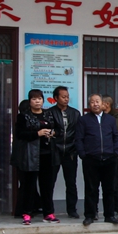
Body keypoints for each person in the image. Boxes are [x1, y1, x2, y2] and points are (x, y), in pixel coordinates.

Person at [12, 90, 59, 225]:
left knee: (47, 186)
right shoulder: (24, 116)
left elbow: (57, 129)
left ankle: (48, 213)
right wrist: (37, 133)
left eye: (39, 99)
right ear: (30, 101)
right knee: (29, 186)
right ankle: (27, 213)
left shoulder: (48, 114)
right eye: (34, 99)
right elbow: (20, 134)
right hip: (31, 155)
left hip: (47, 154)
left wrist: (52, 133)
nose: (37, 101)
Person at [77, 93, 118, 226]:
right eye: (92, 102)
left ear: (103, 104)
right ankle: (90, 215)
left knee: (110, 189)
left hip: (109, 158)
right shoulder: (84, 120)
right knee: (91, 188)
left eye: (97, 102)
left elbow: (116, 137)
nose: (95, 104)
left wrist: (116, 152)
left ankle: (109, 215)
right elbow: (79, 139)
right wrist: (83, 154)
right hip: (91, 159)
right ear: (89, 105)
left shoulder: (110, 120)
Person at [48, 86, 81, 218]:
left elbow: (79, 133)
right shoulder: (50, 112)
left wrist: (77, 148)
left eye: (67, 96)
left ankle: (72, 210)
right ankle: (49, 210)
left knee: (71, 183)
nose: (66, 99)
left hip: (71, 151)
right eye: (63, 97)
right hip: (54, 150)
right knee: (50, 182)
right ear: (56, 98)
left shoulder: (75, 113)